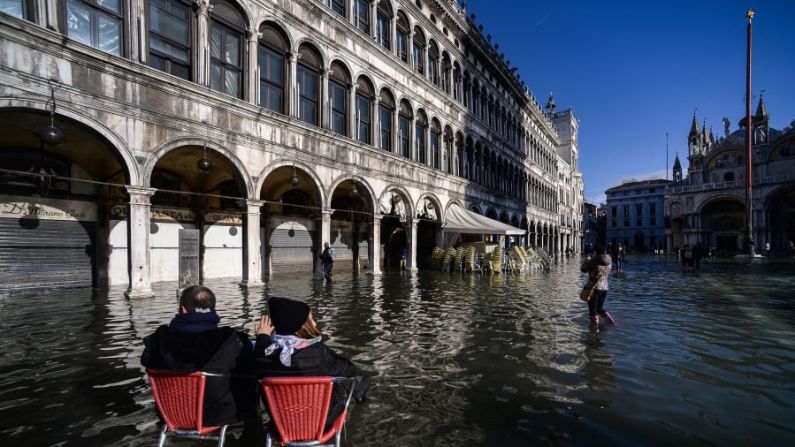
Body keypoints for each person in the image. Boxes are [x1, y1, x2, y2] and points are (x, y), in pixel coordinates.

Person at [141, 285, 257, 427]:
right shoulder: (231, 339)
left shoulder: (157, 340)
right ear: (213, 309)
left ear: (182, 309)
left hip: (170, 414)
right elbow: (251, 369)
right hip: (218, 415)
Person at [254, 297, 369, 430]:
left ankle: (358, 391)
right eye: (311, 320)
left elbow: (259, 354)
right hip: (322, 422)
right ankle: (359, 392)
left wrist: (262, 337)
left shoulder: (262, 353)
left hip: (281, 425)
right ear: (299, 329)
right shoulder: (317, 353)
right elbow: (350, 370)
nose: (314, 324)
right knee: (334, 375)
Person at [580, 243, 616, 326]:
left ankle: (594, 330)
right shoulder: (609, 260)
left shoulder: (593, 260)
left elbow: (583, 269)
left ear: (595, 251)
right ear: (605, 250)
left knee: (593, 311)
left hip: (593, 288)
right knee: (599, 309)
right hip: (605, 288)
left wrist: (587, 260)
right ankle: (611, 322)